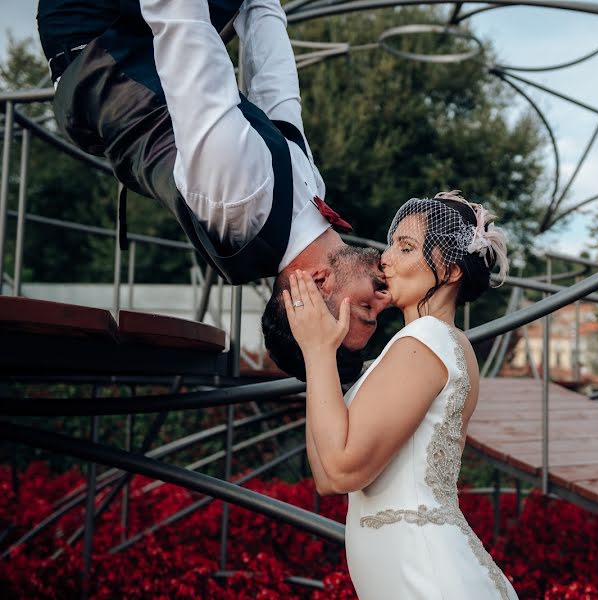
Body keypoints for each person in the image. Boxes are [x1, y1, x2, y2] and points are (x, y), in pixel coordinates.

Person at [36, 0, 391, 380]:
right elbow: (276, 87)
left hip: (90, 32)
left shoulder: (240, 196)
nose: (385, 300)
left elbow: (180, 24)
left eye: (366, 312)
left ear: (319, 283)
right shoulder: (308, 199)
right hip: (131, 34)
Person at [282, 190, 518, 599]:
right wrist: (316, 355)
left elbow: (341, 471)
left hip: (428, 576)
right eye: (392, 244)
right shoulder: (420, 346)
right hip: (408, 571)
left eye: (405, 247)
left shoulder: (426, 339)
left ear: (450, 268)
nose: (386, 258)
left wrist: (318, 352)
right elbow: (324, 475)